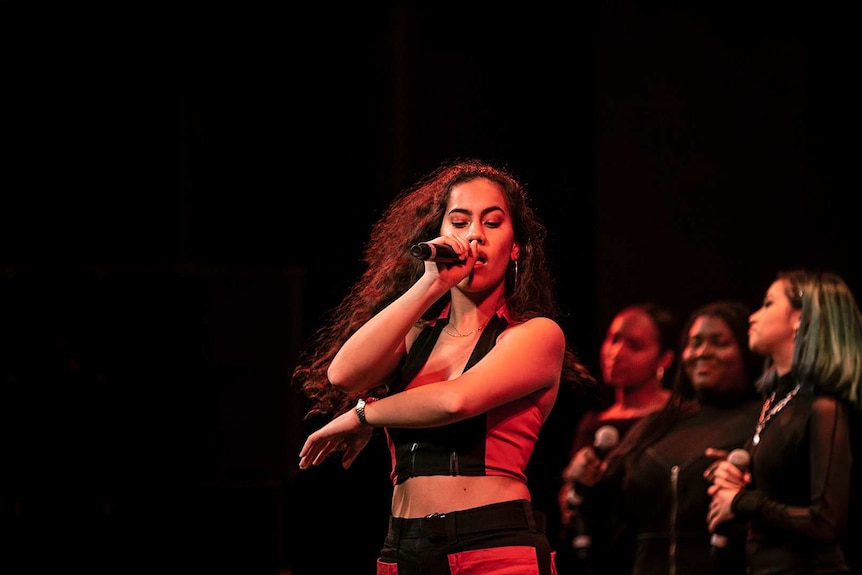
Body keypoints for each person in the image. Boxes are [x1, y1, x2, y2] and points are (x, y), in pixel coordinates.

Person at [293, 158, 593, 575]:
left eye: (492, 223)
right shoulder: (417, 336)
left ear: (517, 245)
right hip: (401, 548)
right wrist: (430, 282)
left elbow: (456, 400)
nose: (474, 235)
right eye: (459, 222)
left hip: (492, 546)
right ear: (440, 235)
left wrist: (364, 416)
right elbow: (343, 375)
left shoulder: (536, 335)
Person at [565, 300, 764, 575]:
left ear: (747, 350)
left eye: (719, 343)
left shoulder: (762, 420)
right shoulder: (659, 423)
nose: (703, 352)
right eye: (694, 343)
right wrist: (584, 479)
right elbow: (602, 508)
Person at [706, 270, 862, 574]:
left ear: (800, 319)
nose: (752, 317)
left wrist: (741, 502)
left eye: (767, 304)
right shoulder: (772, 404)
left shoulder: (823, 408)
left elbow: (825, 523)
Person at [556, 303, 678, 573]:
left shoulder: (678, 416)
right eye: (613, 339)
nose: (616, 353)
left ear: (664, 360)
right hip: (601, 556)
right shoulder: (594, 423)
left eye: (634, 345)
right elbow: (569, 507)